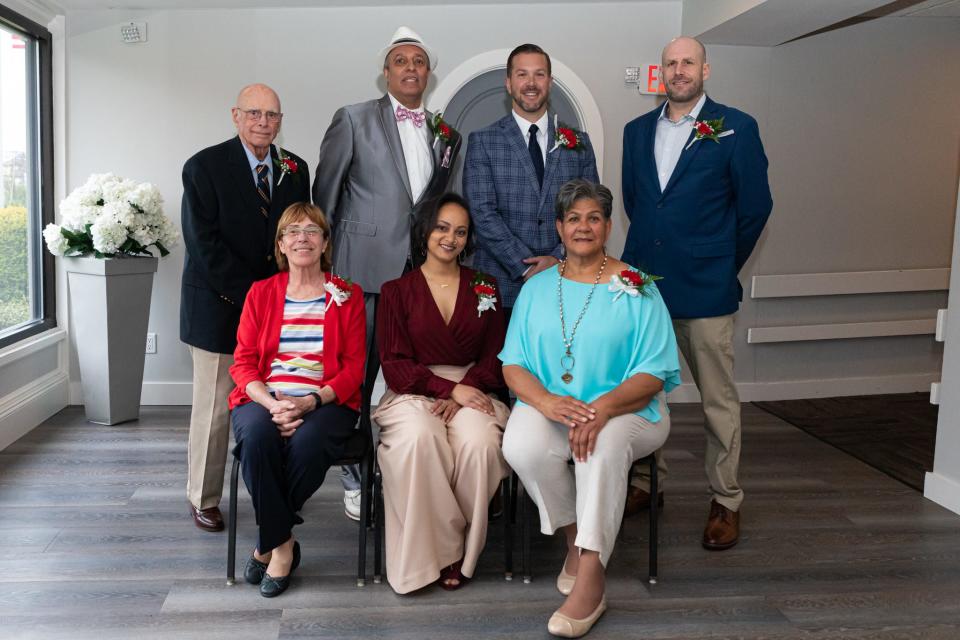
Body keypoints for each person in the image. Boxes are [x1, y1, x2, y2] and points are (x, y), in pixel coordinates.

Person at [501, 180, 680, 638]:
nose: (584, 226)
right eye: (574, 218)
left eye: (594, 217)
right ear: (559, 228)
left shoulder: (637, 287)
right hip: (554, 406)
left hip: (628, 410)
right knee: (521, 443)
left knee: (600, 449)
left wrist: (602, 409)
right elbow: (514, 363)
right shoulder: (537, 288)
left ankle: (592, 580)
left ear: (607, 226)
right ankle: (575, 540)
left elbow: (654, 375)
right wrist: (544, 401)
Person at [621, 36, 773, 550]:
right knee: (642, 394)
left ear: (705, 68)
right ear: (660, 71)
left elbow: (754, 208)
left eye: (688, 62)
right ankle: (646, 482)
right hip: (644, 290)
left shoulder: (736, 128)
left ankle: (726, 499)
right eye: (671, 62)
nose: (679, 70)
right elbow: (639, 203)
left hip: (707, 289)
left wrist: (721, 261)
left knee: (717, 402)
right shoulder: (636, 131)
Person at [312, 26, 462, 519]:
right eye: (402, 60)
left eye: (419, 61)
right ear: (386, 71)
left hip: (418, 274)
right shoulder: (353, 118)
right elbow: (326, 195)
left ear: (429, 73)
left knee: (413, 373)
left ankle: (405, 470)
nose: (411, 68)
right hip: (363, 270)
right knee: (357, 375)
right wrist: (326, 263)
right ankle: (354, 473)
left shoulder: (445, 133)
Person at [180, 83, 309, 532]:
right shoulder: (204, 167)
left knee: (275, 401)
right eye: (253, 113)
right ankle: (203, 496)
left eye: (272, 115)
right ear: (235, 115)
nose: (263, 122)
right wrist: (254, 298)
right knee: (216, 407)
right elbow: (203, 246)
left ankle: (277, 491)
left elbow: (293, 236)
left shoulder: (296, 168)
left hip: (277, 311)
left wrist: (283, 297)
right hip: (218, 305)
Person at [373, 193, 510, 594]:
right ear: (425, 231)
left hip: (476, 387)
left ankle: (461, 551)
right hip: (412, 390)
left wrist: (465, 390)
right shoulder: (396, 290)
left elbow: (498, 357)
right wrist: (449, 390)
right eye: (442, 227)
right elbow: (395, 365)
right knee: (420, 438)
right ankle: (439, 549)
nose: (450, 238)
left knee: (481, 442)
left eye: (461, 231)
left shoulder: (487, 287)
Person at [228, 202, 365, 598]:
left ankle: (266, 545)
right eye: (293, 231)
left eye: (312, 230)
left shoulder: (347, 295)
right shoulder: (261, 292)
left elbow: (354, 369)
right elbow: (243, 364)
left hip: (326, 401)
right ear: (281, 245)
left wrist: (309, 403)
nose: (302, 238)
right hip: (264, 396)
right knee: (256, 439)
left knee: (307, 444)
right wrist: (273, 405)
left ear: (325, 243)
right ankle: (283, 544)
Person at [463, 44, 599, 316]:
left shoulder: (579, 143)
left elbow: (591, 210)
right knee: (501, 360)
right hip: (501, 287)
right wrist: (525, 266)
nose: (531, 83)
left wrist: (558, 258)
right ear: (509, 83)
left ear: (549, 81)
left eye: (539, 74)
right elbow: (482, 213)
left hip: (565, 280)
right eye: (522, 74)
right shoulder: (484, 141)